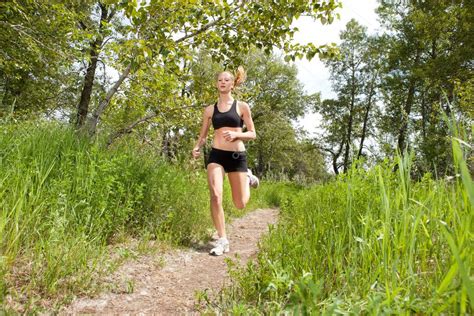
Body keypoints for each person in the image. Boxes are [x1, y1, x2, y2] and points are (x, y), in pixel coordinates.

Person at [192, 66, 259, 256]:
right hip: (216, 156)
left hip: (237, 157)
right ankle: (222, 239)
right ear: (216, 84)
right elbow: (203, 136)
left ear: (233, 84)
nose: (223, 82)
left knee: (240, 204)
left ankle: (247, 177)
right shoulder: (209, 110)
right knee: (215, 194)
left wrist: (238, 136)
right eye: (220, 80)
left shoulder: (242, 106)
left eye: (227, 80)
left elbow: (252, 133)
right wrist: (197, 147)